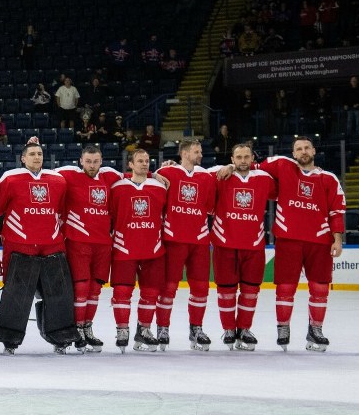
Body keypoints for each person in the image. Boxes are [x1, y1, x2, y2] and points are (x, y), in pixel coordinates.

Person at [219, 136, 345, 352]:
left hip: (320, 241)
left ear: (314, 151)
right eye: (299, 149)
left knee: (320, 288)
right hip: (288, 239)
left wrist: (337, 238)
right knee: (286, 288)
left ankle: (316, 329)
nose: (303, 151)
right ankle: (283, 327)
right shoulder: (283, 165)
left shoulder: (329, 178)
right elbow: (251, 165)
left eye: (307, 148)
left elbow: (337, 211)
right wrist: (231, 165)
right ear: (293, 153)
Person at [0, 138, 74, 353]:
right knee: (16, 292)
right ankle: (9, 339)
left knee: (57, 291)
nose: (37, 157)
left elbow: (61, 209)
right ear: (22, 158)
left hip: (52, 243)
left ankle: (60, 337)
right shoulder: (10, 178)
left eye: (39, 153)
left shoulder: (57, 180)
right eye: (32, 154)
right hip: (20, 243)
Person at [210, 142, 276, 350]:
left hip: (254, 244)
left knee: (250, 290)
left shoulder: (264, 178)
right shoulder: (220, 175)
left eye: (247, 157)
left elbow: (287, 186)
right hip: (224, 243)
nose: (243, 161)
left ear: (252, 159)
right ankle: (229, 329)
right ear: (232, 160)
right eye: (239, 158)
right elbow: (195, 175)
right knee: (226, 290)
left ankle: (244, 328)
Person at [57, 144, 122, 353]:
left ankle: (87, 327)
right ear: (80, 161)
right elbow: (39, 174)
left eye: (95, 161)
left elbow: (135, 175)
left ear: (101, 161)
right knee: (81, 288)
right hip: (78, 242)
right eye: (88, 161)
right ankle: (76, 329)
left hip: (103, 244)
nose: (92, 165)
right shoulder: (68, 174)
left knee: (95, 289)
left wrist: (155, 173)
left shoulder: (110, 176)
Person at [154, 138, 217, 351]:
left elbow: (209, 207)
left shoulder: (206, 177)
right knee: (168, 287)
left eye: (200, 150)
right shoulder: (167, 174)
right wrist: (156, 173)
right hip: (173, 239)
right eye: (196, 151)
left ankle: (196, 329)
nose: (200, 154)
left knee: (200, 288)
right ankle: (162, 328)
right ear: (185, 153)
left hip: (199, 240)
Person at [109, 149, 169, 353]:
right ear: (130, 165)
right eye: (140, 161)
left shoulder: (160, 188)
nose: (144, 164)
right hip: (124, 248)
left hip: (153, 249)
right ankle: (122, 330)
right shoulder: (116, 188)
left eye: (147, 160)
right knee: (122, 292)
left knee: (151, 293)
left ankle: (143, 330)